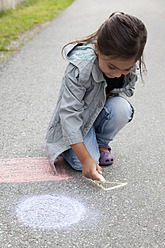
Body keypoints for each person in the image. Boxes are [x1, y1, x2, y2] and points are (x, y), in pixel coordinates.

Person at [46, 11, 147, 181]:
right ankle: (78, 147)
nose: (117, 74)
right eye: (112, 67)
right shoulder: (80, 69)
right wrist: (86, 159)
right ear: (97, 48)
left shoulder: (128, 64)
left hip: (95, 113)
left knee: (122, 108)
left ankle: (100, 143)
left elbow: (118, 96)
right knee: (83, 164)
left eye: (126, 69)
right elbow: (69, 117)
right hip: (78, 120)